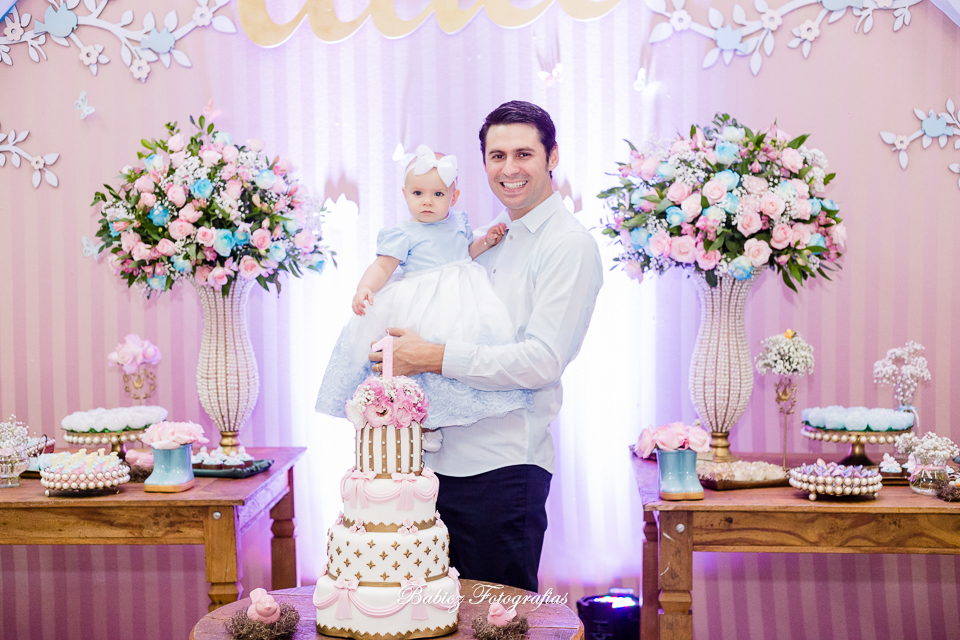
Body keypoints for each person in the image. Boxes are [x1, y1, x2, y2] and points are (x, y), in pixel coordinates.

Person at [375, 101, 604, 592]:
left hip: (502, 472)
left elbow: (542, 359)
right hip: (432, 465)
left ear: (553, 156)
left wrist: (430, 355)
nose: (509, 168)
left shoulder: (568, 245)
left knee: (496, 622)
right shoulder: (483, 239)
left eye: (524, 153)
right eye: (496, 156)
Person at [315, 145, 533, 442]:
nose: (427, 202)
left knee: (461, 349)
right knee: (416, 364)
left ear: (453, 198)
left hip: (464, 298)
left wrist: (486, 242)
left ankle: (448, 416)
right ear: (405, 194)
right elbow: (383, 266)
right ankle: (420, 427)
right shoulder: (403, 233)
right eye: (418, 194)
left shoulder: (459, 223)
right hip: (423, 301)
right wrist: (364, 287)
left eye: (438, 195)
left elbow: (465, 253)